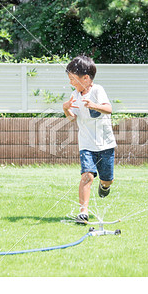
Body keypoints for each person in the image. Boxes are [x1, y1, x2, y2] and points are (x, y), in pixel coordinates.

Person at [62, 55, 117, 224]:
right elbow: (73, 118)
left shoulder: (98, 90)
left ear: (85, 78)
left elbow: (108, 109)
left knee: (107, 179)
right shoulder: (75, 95)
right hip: (86, 144)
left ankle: (105, 186)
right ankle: (83, 212)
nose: (71, 82)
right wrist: (66, 109)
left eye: (73, 79)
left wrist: (93, 105)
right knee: (87, 176)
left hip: (105, 143)